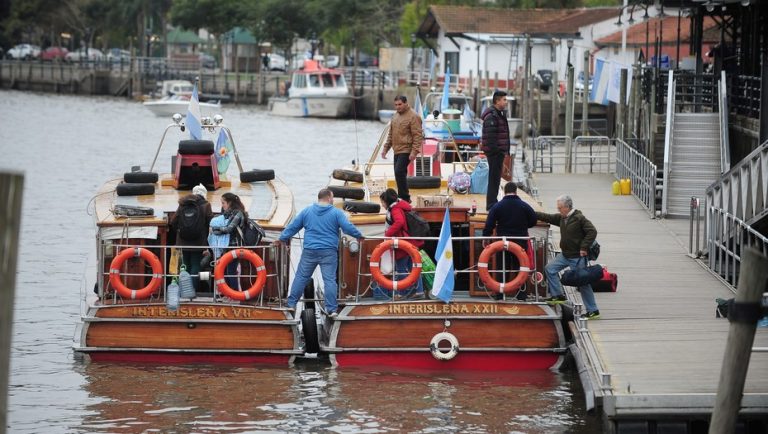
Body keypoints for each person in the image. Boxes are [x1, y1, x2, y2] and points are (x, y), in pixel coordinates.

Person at [275, 189, 363, 318]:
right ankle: (332, 310)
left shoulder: (307, 211)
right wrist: (359, 236)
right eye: (332, 198)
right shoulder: (336, 213)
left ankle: (291, 304)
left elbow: (293, 226)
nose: (333, 201)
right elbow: (347, 227)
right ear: (328, 198)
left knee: (301, 277)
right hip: (328, 252)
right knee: (329, 280)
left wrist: (282, 238)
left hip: (310, 251)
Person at [535, 195, 600, 319]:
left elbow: (592, 231)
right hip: (565, 255)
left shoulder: (579, 218)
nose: (558, 210)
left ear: (567, 207)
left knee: (583, 283)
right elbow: (547, 217)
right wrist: (531, 212)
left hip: (577, 257)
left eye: (560, 208)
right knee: (550, 268)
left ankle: (593, 310)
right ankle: (558, 295)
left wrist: (584, 247)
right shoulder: (562, 218)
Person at [482, 182, 537, 300]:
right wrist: (524, 225)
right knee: (521, 267)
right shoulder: (524, 206)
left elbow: (489, 224)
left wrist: (486, 237)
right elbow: (533, 220)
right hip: (520, 241)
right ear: (516, 191)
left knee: (502, 267)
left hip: (503, 242)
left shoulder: (497, 206)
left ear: (504, 192)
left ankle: (500, 294)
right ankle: (521, 294)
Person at [374, 188, 425, 300]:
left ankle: (401, 293)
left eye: (382, 202)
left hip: (402, 243)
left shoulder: (395, 209)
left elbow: (400, 222)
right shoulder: (401, 206)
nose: (382, 205)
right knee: (414, 267)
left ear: (386, 201)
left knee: (401, 267)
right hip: (409, 241)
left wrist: (388, 234)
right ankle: (419, 291)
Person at [170, 184, 213, 290]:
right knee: (195, 264)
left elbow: (173, 222)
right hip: (198, 242)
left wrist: (180, 232)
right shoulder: (206, 205)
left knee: (184, 265)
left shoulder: (183, 204)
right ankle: (193, 291)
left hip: (183, 240)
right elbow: (211, 222)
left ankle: (183, 290)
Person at [381, 95, 423, 203]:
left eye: (399, 104)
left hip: (407, 149)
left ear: (405, 103)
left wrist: (414, 152)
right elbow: (391, 134)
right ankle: (402, 197)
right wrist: (385, 149)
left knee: (399, 171)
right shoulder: (395, 116)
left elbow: (418, 136)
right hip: (397, 149)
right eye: (395, 105)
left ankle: (405, 198)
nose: (397, 107)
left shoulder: (414, 116)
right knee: (398, 173)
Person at [211, 192, 247, 291]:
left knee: (231, 270)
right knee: (226, 270)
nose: (222, 206)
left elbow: (229, 229)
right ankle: (228, 293)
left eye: (223, 203)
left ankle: (234, 294)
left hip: (234, 246)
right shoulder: (227, 214)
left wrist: (215, 229)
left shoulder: (238, 214)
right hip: (226, 246)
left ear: (230, 203)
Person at [481, 90, 511, 210]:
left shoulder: (499, 114)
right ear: (497, 101)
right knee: (494, 178)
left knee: (496, 178)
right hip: (495, 153)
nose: (506, 102)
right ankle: (491, 204)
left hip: (498, 152)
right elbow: (491, 137)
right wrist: (497, 152)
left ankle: (493, 201)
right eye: (504, 99)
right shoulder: (492, 116)